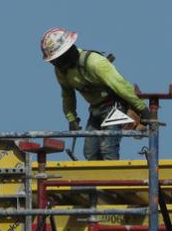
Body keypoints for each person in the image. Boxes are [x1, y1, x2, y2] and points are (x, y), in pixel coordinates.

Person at [40, 27, 152, 160]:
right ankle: (98, 180)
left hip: (115, 106)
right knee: (90, 152)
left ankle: (113, 179)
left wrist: (142, 109)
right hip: (95, 110)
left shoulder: (94, 62)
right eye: (53, 61)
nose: (55, 64)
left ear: (67, 52)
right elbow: (67, 95)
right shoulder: (62, 71)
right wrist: (72, 118)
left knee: (108, 148)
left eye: (56, 59)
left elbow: (121, 86)